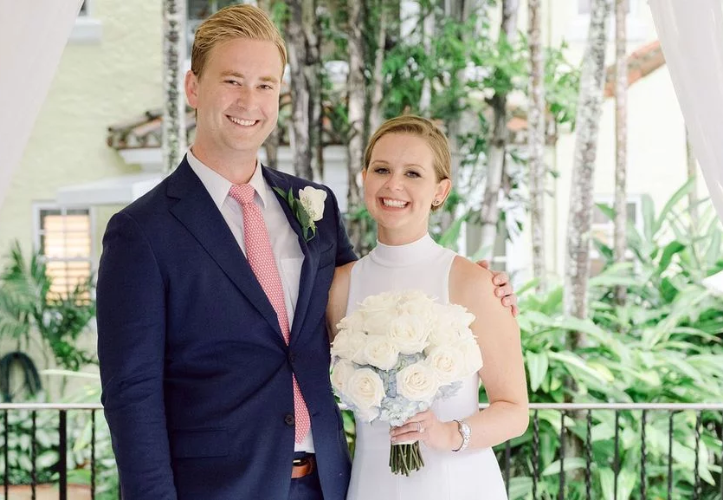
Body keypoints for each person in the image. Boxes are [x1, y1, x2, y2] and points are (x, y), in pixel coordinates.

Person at [96, 5, 517, 499]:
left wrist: (482, 293)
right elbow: (132, 395)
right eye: (232, 80)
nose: (250, 100)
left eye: (266, 84)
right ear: (194, 87)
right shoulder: (141, 232)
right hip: (217, 488)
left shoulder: (314, 208)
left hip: (329, 484)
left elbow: (372, 302)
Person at [327, 115, 529, 500]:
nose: (394, 185)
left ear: (440, 190)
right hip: (372, 484)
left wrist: (450, 433)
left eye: (413, 174)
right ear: (364, 177)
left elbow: (515, 410)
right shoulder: (338, 287)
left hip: (457, 484)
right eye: (382, 169)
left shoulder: (474, 283)